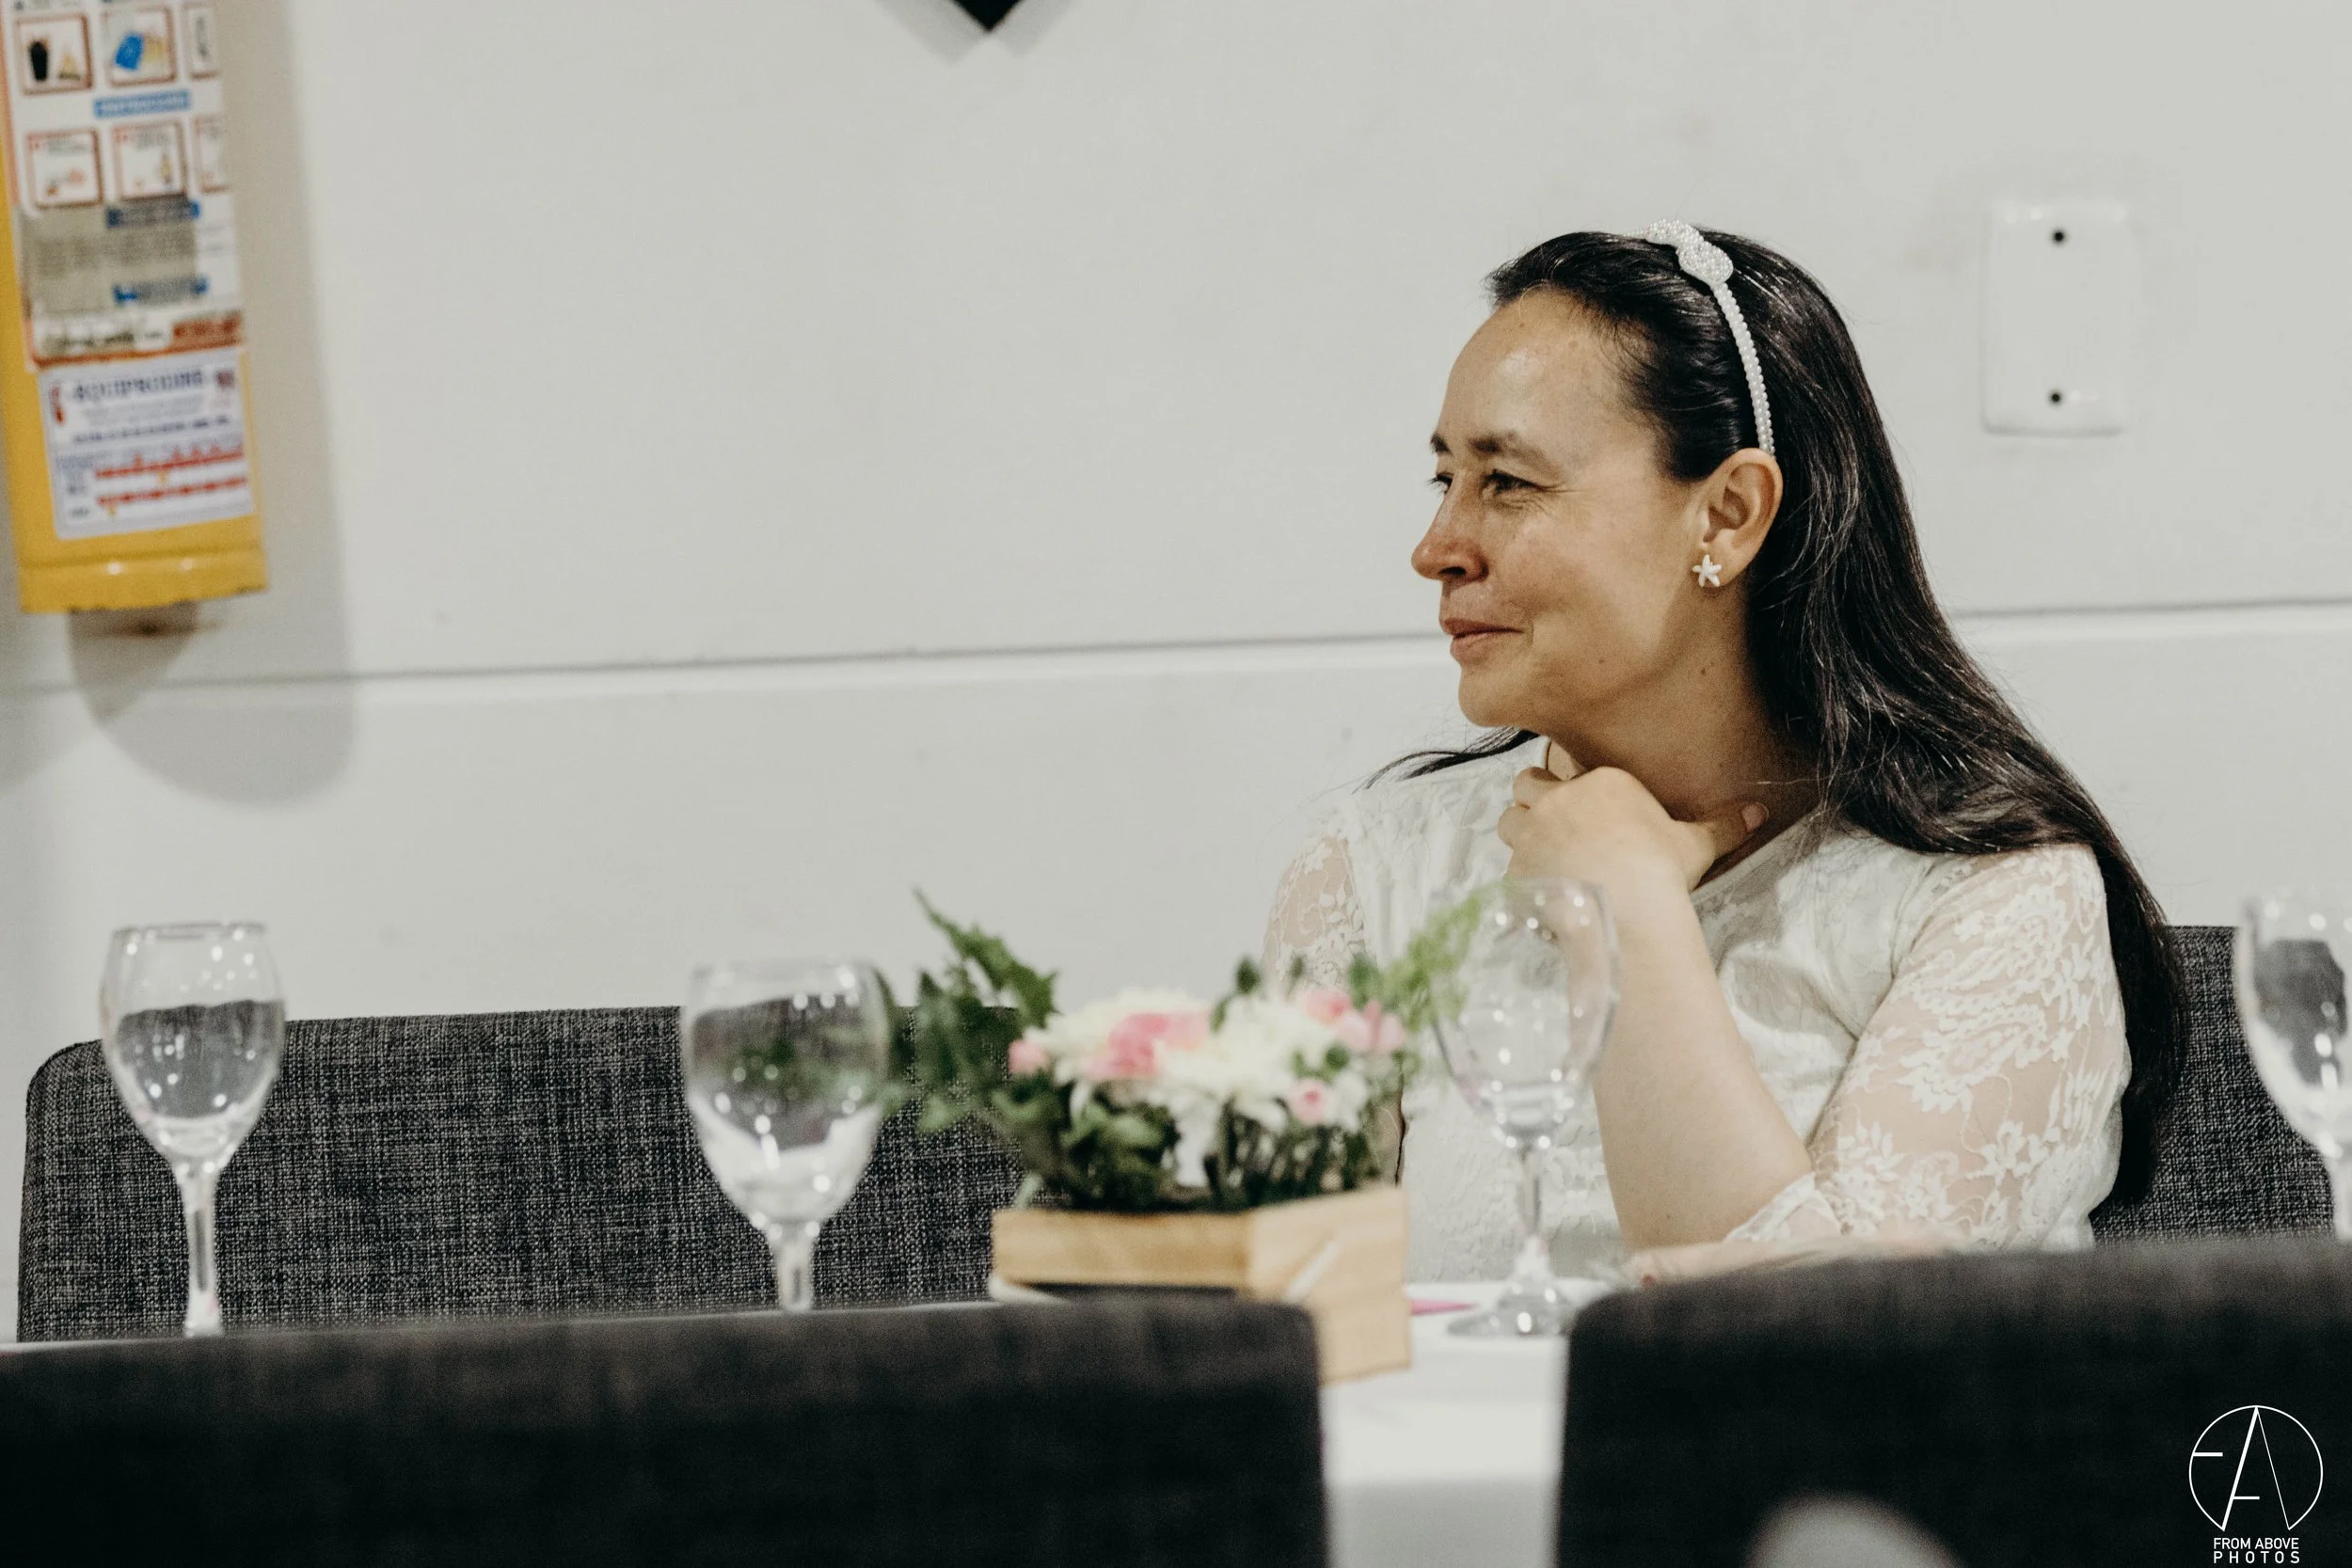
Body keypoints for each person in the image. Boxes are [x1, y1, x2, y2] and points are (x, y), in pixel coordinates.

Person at [1262, 223, 2182, 1284]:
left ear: (1728, 514)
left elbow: (1802, 1369)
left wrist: (1625, 907)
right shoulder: (1373, 870)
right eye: (1445, 480)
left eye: (1506, 481)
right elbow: (1278, 1339)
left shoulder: (1995, 903)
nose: (1438, 548)